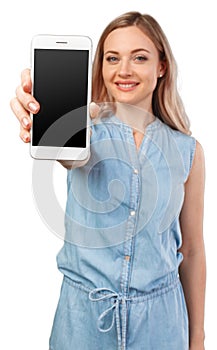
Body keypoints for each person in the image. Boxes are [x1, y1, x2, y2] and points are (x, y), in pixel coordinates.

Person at [10, 11, 206, 350]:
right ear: (99, 67)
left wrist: (198, 338)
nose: (123, 70)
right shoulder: (83, 133)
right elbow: (69, 155)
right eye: (112, 58)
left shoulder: (187, 150)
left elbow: (190, 250)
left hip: (161, 327)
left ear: (161, 66)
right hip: (82, 325)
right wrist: (42, 120)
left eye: (139, 58)